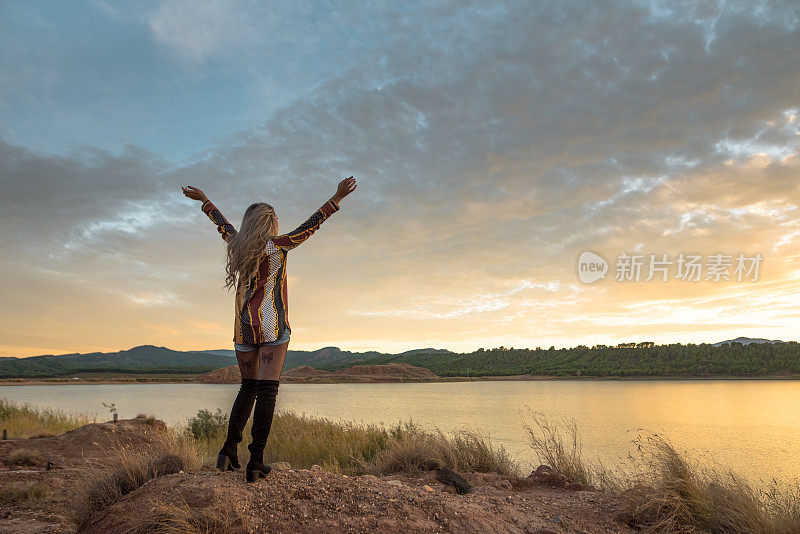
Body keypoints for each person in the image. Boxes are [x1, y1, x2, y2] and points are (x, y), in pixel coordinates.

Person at [181, 177, 357, 482]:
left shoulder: (236, 244)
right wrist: (337, 197)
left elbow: (220, 223)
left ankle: (228, 449)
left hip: (243, 330)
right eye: (274, 220)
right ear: (269, 224)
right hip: (272, 327)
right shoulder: (278, 246)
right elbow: (311, 225)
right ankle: (256, 462)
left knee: (246, 388)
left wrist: (204, 200)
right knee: (267, 393)